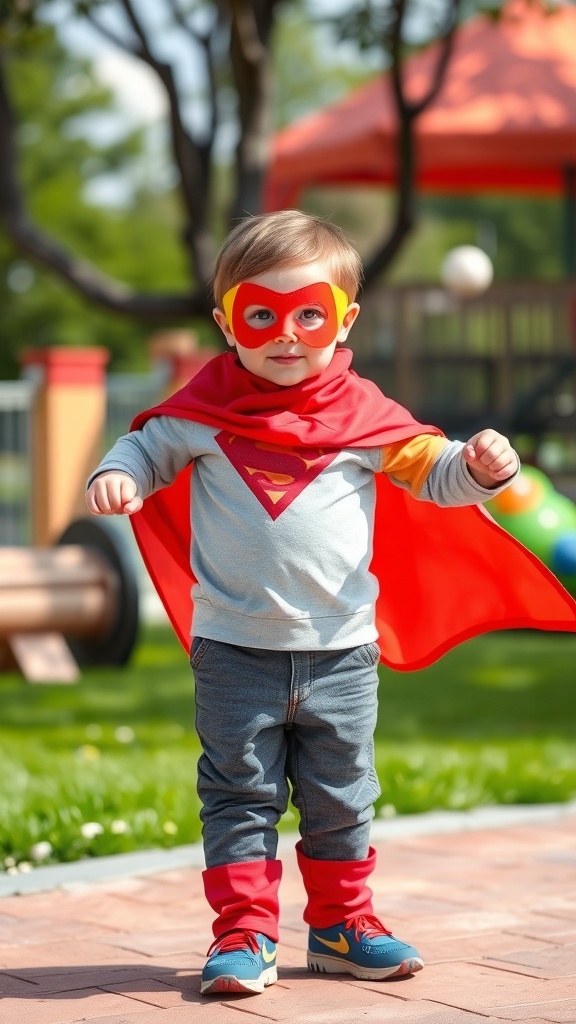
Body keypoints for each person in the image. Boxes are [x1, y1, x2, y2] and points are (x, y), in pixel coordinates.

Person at [86, 210, 522, 996]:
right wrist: (118, 473)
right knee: (240, 794)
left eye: (308, 315)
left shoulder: (366, 420)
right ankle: (245, 934)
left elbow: (436, 473)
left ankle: (342, 926)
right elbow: (146, 446)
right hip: (233, 650)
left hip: (341, 653)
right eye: (262, 315)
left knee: (341, 797)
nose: (286, 336)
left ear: (344, 318)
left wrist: (483, 467)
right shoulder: (202, 413)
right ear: (227, 321)